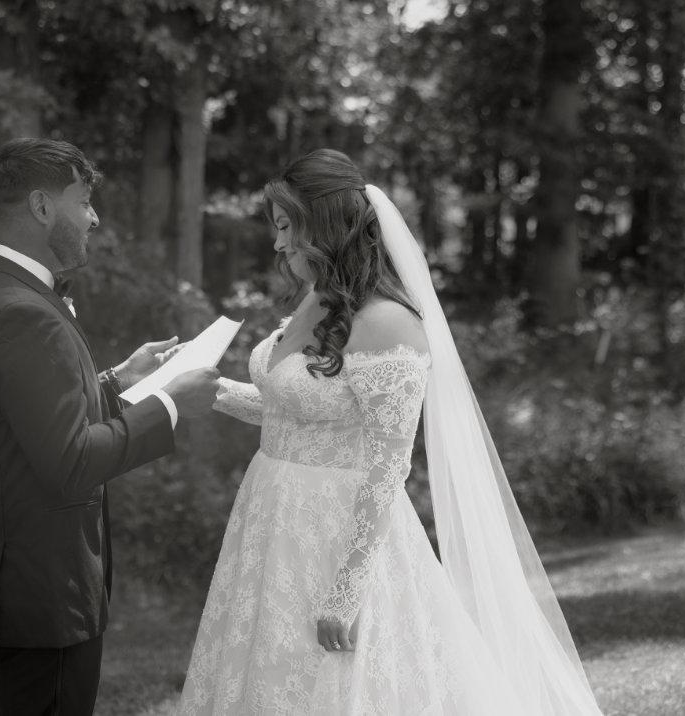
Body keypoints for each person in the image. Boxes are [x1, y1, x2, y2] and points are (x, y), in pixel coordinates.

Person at [176, 149, 605, 715]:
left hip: (338, 530)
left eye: (285, 227)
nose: (278, 244)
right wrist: (216, 392)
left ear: (324, 226)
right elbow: (299, 412)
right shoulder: (316, 299)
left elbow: (387, 462)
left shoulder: (389, 324)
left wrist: (349, 588)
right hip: (269, 514)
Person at [0, 137, 219, 716]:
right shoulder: (21, 313)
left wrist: (116, 381)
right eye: (84, 200)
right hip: (40, 593)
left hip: (16, 586)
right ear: (42, 208)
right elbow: (69, 462)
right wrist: (167, 404)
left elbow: (29, 421)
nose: (94, 217)